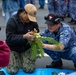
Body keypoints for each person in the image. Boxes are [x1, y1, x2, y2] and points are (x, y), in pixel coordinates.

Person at [5, 4, 39, 74]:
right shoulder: (12, 21)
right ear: (24, 13)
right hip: (13, 48)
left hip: (26, 47)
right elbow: (9, 38)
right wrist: (24, 36)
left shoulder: (32, 22)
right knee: (12, 71)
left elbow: (37, 31)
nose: (30, 20)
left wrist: (35, 35)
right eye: (29, 17)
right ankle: (14, 58)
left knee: (29, 69)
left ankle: (23, 58)